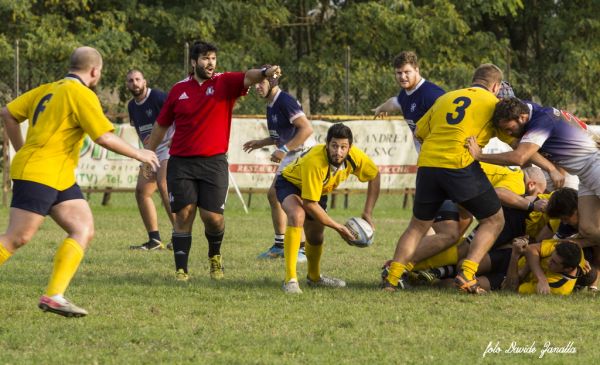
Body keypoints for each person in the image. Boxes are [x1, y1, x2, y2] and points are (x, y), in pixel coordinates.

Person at [0, 46, 159, 317]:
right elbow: (103, 137)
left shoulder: (48, 89)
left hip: (58, 175)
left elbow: (7, 113)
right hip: (40, 172)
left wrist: (22, 148)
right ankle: (54, 295)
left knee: (83, 228)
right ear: (95, 72)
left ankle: (54, 296)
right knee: (17, 237)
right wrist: (139, 153)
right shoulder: (81, 94)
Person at [145, 40, 282, 282]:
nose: (210, 63)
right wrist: (147, 154)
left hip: (214, 163)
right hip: (181, 162)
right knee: (184, 214)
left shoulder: (223, 82)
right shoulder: (178, 90)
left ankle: (214, 257)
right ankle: (181, 270)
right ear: (193, 62)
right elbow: (161, 125)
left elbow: (248, 77)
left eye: (213, 59)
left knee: (213, 218)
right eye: (205, 58)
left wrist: (264, 72)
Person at [382, 64, 508, 294]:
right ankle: (467, 273)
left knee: (417, 226)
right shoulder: (493, 103)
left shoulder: (446, 97)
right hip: (458, 164)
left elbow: (420, 130)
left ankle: (392, 279)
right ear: (495, 86)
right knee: (494, 219)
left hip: (428, 164)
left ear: (473, 80)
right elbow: (511, 135)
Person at [467, 97, 600, 246]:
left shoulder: (541, 122)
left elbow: (519, 157)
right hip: (586, 175)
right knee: (588, 230)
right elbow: (522, 147)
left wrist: (479, 155)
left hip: (596, 166)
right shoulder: (528, 110)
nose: (509, 133)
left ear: (522, 118)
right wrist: (550, 168)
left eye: (509, 129)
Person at [277, 123, 380, 294]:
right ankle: (290, 280)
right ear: (327, 144)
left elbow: (375, 175)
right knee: (297, 214)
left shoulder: (355, 157)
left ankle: (314, 278)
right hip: (290, 183)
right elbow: (309, 204)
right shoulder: (315, 162)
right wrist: (339, 227)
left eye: (343, 147)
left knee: (316, 236)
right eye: (334, 145)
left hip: (317, 190)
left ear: (349, 148)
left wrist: (368, 212)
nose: (338, 151)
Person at [242, 66, 314, 262]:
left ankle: (301, 249)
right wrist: (261, 142)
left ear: (273, 81)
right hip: (292, 153)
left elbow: (306, 129)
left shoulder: (285, 100)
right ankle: (280, 244)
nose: (257, 86)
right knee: (274, 195)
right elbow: (282, 134)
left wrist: (284, 149)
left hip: (302, 154)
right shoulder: (271, 103)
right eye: (256, 83)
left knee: (292, 200)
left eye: (261, 82)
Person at [126, 69, 175, 250]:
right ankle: (154, 240)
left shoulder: (158, 97)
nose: (135, 83)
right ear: (127, 85)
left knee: (164, 186)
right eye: (130, 81)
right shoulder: (132, 106)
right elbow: (143, 132)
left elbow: (179, 115)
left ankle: (179, 235)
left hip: (170, 148)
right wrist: (146, 155)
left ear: (144, 81)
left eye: (138, 79)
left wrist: (174, 138)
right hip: (151, 152)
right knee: (141, 191)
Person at [372, 50, 445, 152]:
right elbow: (394, 103)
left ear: (416, 70)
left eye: (407, 72)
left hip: (440, 157)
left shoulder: (430, 94)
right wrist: (381, 108)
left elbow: (449, 118)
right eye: (399, 73)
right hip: (425, 158)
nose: (402, 77)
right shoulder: (404, 95)